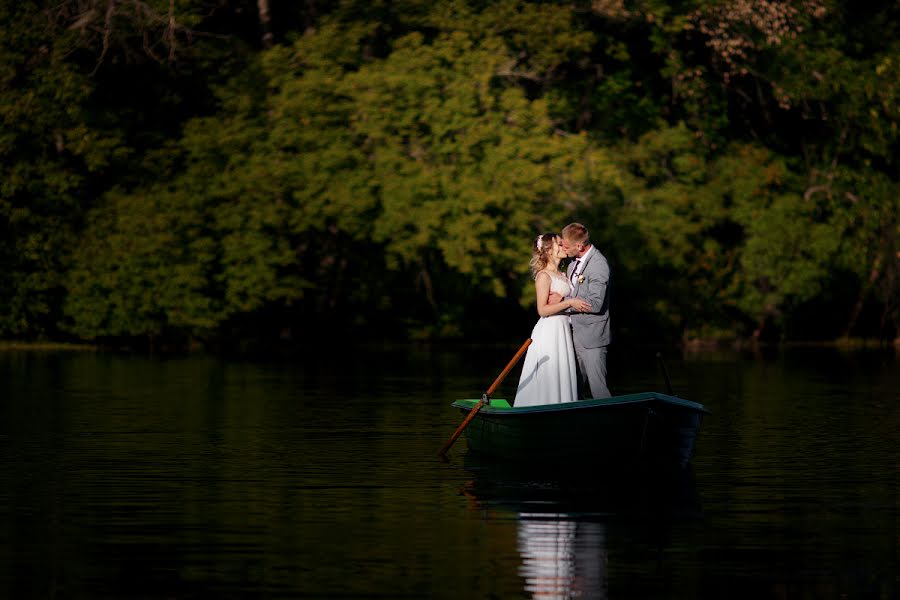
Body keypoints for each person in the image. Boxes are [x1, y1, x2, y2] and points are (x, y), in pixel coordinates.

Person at [514, 233, 591, 407]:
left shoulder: (564, 274)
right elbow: (542, 310)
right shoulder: (544, 276)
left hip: (564, 329)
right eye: (558, 243)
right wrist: (570, 302)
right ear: (548, 249)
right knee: (551, 372)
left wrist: (566, 301)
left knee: (563, 372)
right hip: (550, 331)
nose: (564, 244)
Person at [560, 222, 612, 399]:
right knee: (574, 388)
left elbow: (596, 303)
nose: (563, 250)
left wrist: (563, 303)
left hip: (592, 336)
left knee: (598, 388)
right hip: (573, 334)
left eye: (566, 247)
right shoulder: (572, 264)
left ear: (579, 246)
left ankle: (611, 422)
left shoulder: (598, 265)